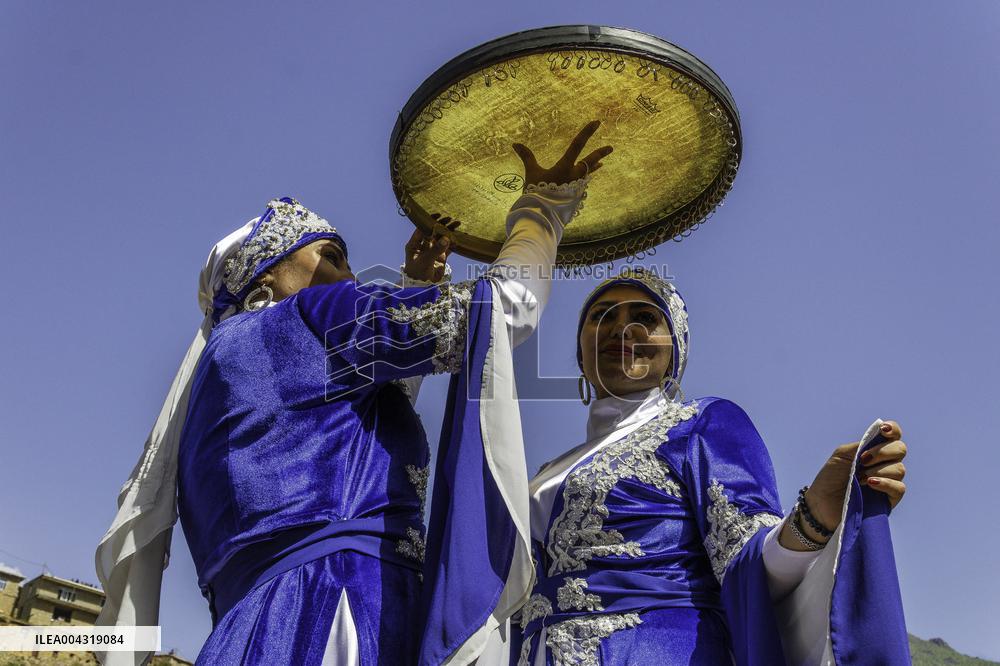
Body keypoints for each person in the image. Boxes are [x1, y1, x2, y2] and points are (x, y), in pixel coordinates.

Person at [94, 123, 613, 665]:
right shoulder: (314, 317)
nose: (350, 278)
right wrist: (543, 211)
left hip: (249, 634)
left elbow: (344, 440)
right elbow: (503, 306)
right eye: (333, 257)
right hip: (338, 610)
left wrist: (416, 292)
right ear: (268, 274)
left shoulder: (215, 371)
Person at [511, 267, 910, 665]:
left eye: (646, 318)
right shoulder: (547, 472)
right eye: (602, 316)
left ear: (675, 352)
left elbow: (746, 564)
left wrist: (816, 514)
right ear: (581, 353)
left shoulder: (702, 423)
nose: (622, 328)